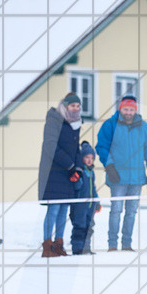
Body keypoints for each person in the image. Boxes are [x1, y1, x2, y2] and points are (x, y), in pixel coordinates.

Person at [95, 94, 147, 252]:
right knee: (116, 210)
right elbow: (102, 147)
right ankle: (112, 244)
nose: (128, 112)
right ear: (120, 109)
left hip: (137, 178)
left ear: (135, 110)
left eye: (131, 109)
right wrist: (109, 166)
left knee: (131, 212)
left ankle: (127, 244)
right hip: (118, 176)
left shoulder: (143, 126)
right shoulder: (110, 125)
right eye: (125, 109)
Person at [39, 93, 82, 257]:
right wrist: (69, 165)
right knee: (54, 209)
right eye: (72, 106)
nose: (75, 109)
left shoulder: (76, 124)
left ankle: (59, 244)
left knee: (64, 210)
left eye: (78, 106)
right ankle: (47, 245)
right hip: (53, 173)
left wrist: (77, 168)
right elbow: (50, 147)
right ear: (65, 106)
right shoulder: (54, 121)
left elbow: (76, 149)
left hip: (68, 174)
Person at [70, 142, 100, 255]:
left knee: (89, 226)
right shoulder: (81, 171)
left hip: (90, 205)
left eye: (92, 158)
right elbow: (77, 187)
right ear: (82, 157)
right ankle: (77, 248)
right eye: (87, 157)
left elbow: (94, 188)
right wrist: (77, 180)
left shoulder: (91, 172)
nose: (89, 160)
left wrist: (97, 201)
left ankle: (86, 247)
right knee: (80, 226)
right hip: (80, 206)